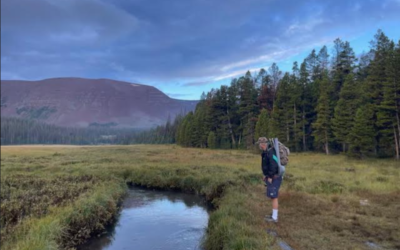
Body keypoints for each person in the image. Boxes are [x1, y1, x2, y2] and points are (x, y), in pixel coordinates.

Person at [256, 137, 283, 223]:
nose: (259, 146)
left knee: (274, 196)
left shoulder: (270, 152)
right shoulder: (266, 152)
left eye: (260, 144)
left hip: (275, 177)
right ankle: (273, 215)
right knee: (272, 196)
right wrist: (266, 175)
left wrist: (270, 177)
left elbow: (273, 165)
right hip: (271, 176)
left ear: (263, 144)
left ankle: (274, 218)